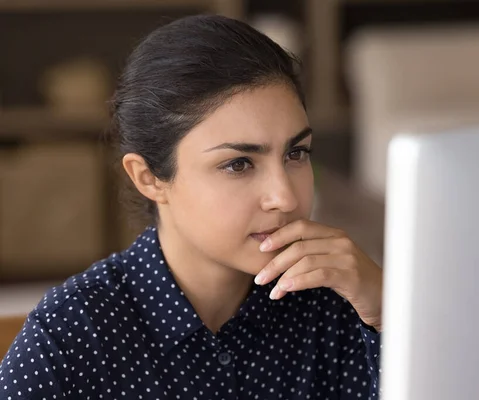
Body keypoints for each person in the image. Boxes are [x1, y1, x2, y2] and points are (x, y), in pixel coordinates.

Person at [0, 14, 383, 399]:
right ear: (148, 177)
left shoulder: (345, 308)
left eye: (296, 153)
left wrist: (391, 313)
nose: (284, 196)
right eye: (239, 164)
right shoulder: (71, 333)